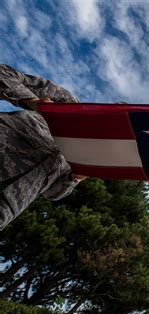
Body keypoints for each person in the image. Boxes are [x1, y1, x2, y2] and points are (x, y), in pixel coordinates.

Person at [0, 64, 86, 230]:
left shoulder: (92, 160)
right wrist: (34, 103)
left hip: (9, 203)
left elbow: (52, 193)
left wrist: (76, 178)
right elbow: (3, 73)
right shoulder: (68, 103)